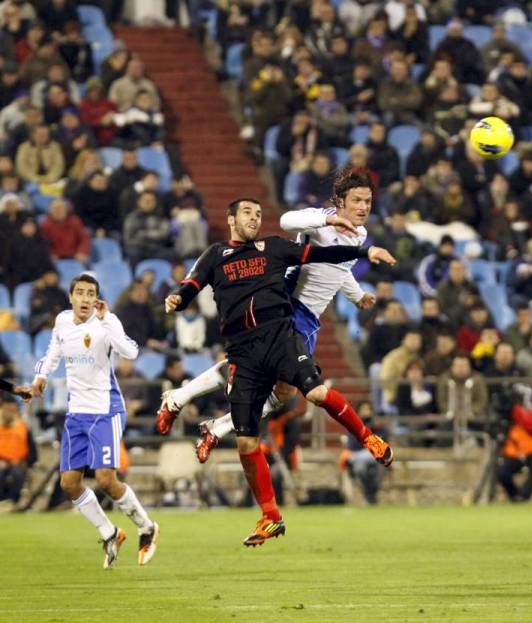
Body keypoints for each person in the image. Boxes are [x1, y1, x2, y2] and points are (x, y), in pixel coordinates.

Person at [157, 190, 395, 546]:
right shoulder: (216, 255)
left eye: (257, 212)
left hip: (282, 334)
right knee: (247, 441)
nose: (254, 217)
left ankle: (368, 438)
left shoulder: (274, 248)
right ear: (232, 219)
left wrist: (364, 256)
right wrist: (178, 297)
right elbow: (192, 283)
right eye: (247, 212)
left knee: (312, 392)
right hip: (244, 352)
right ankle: (270, 515)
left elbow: (324, 257)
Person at [28, 274, 159, 569]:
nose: (86, 298)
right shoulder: (62, 322)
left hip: (105, 410)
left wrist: (109, 319)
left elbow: (131, 352)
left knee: (105, 479)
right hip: (76, 413)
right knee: (69, 483)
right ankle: (110, 533)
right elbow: (53, 353)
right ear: (71, 297)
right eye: (81, 293)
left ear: (97, 298)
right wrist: (40, 376)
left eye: (91, 294)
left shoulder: (104, 323)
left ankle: (147, 527)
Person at [497, 384, 532, 502]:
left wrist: (516, 410)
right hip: (516, 452)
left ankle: (524, 495)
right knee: (502, 473)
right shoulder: (508, 417)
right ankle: (516, 496)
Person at [0, 395, 37, 511]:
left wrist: (25, 462)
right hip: (1, 463)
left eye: (13, 410)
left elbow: (33, 452)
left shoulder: (23, 427)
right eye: (7, 410)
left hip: (19, 464)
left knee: (17, 474)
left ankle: (11, 503)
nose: (9, 413)